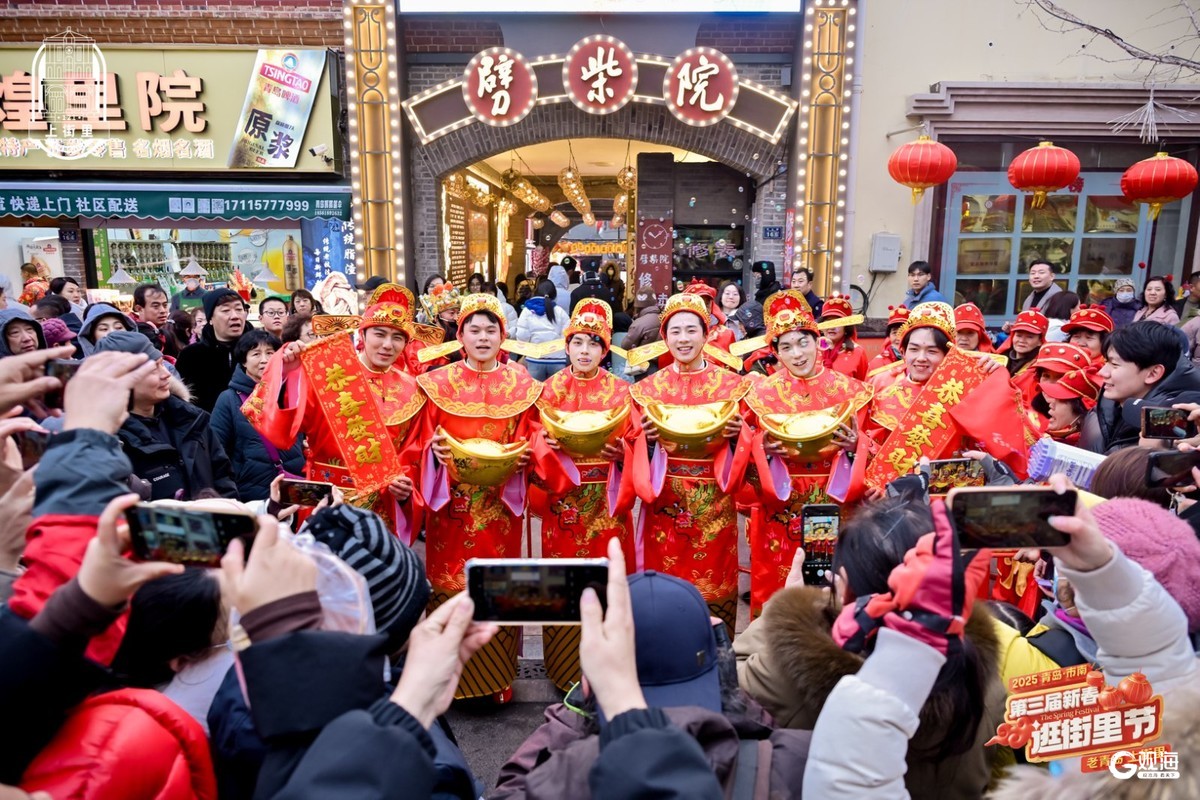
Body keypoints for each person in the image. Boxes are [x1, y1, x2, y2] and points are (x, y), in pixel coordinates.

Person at [735, 497, 1004, 799]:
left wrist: (781, 608)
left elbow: (734, 684)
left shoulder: (787, 675)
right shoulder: (988, 685)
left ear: (847, 589)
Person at [495, 560, 810, 800]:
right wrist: (735, 698)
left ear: (589, 683)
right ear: (719, 666)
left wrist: (578, 713)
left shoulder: (562, 781)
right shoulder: (789, 763)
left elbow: (509, 790)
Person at [417, 292, 542, 701]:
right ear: (461, 334)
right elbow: (420, 440)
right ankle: (445, 681)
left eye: (491, 330)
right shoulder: (437, 383)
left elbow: (536, 434)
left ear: (502, 335)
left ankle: (496, 681)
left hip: (500, 505)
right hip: (451, 504)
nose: (483, 337)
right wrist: (431, 454)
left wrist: (527, 453)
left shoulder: (522, 383)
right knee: (449, 584)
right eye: (475, 329)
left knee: (498, 585)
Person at [249, 285, 425, 535]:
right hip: (326, 496)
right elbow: (282, 428)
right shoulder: (330, 372)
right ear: (362, 335)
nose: (387, 344)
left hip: (382, 503)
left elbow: (412, 452)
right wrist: (288, 372)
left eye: (397, 337)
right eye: (379, 333)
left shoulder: (413, 389)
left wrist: (405, 486)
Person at [741, 290, 873, 615]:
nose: (797, 354)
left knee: (830, 590)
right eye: (785, 347)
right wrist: (762, 449)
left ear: (819, 342)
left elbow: (873, 447)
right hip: (780, 509)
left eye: (803, 342)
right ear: (774, 352)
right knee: (779, 591)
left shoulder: (848, 391)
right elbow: (742, 450)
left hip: (833, 503)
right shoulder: (760, 394)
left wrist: (857, 446)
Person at [626, 292, 749, 630]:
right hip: (665, 498)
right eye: (675, 331)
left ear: (706, 334)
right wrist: (647, 441)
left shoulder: (732, 387)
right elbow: (633, 447)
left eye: (691, 330)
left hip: (715, 502)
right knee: (664, 587)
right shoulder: (648, 388)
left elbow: (748, 453)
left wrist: (739, 435)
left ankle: (715, 663)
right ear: (664, 337)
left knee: (714, 585)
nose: (683, 339)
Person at [534, 299, 636, 690]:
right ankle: (562, 669)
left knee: (607, 579)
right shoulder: (548, 390)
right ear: (567, 345)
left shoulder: (622, 392)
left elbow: (636, 443)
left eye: (593, 344)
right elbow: (533, 441)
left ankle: (606, 670)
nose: (584, 351)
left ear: (605, 349)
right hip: (563, 500)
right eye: (577, 342)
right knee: (563, 581)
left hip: (607, 501)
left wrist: (621, 454)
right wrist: (543, 444)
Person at [863, 302, 1034, 491]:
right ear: (903, 352)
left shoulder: (970, 389)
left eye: (932, 351)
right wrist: (858, 445)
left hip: (952, 497)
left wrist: (996, 382)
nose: (921, 357)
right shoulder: (885, 393)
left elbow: (1013, 432)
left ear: (948, 356)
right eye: (914, 349)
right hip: (898, 497)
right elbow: (875, 449)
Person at [98, 330, 236, 501]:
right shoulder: (110, 443)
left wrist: (228, 517)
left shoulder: (191, 418)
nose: (166, 374)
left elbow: (223, 476)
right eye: (153, 369)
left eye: (161, 363)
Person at [210, 330, 306, 502]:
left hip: (295, 487)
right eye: (256, 354)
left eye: (270, 353)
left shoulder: (287, 392)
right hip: (253, 493)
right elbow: (217, 450)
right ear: (243, 361)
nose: (264, 360)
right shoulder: (229, 399)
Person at [1091, 320, 1200, 452]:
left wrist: (1158, 456)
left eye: (1115, 364)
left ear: (1153, 373)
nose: (1102, 372)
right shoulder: (1106, 405)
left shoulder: (1179, 421)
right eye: (1106, 361)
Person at [175, 288, 248, 412]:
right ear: (210, 319)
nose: (235, 316)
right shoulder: (191, 355)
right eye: (225, 310)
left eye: (239, 309)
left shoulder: (259, 349)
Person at [515, 280, 568, 380]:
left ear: (536, 291)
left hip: (535, 359)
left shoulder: (527, 311)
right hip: (557, 360)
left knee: (535, 393)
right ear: (554, 295)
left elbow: (522, 336)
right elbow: (568, 334)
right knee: (556, 393)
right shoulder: (559, 311)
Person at [1040, 367, 1102, 446]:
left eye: (1060, 399)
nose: (1051, 404)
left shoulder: (1085, 447)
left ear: (1079, 408)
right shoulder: (1047, 434)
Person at [1004, 308, 1049, 409]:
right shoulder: (1000, 359)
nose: (1022, 340)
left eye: (1030, 337)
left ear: (1040, 341)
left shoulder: (1041, 369)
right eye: (1018, 335)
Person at [819, 294, 868, 381]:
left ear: (846, 327)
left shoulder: (857, 352)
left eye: (837, 323)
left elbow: (864, 385)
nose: (831, 327)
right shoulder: (814, 350)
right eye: (828, 322)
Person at [733, 260, 782, 340]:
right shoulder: (760, 294)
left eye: (759, 276)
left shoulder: (777, 295)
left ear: (767, 276)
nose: (756, 279)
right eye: (755, 277)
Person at [867, 305, 911, 389]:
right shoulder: (876, 362)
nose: (898, 338)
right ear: (889, 336)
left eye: (903, 333)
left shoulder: (917, 362)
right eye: (894, 333)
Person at [131, 283, 171, 353]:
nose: (163, 311)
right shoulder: (134, 336)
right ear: (139, 308)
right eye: (156, 306)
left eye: (165, 305)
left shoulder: (165, 332)